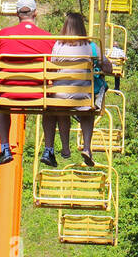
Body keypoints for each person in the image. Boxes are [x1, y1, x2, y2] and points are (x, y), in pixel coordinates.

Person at [41, 12, 112, 168]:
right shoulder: (91, 46)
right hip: (82, 97)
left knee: (60, 108)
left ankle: (65, 148)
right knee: (88, 112)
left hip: (60, 96)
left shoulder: (58, 46)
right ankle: (87, 146)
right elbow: (108, 68)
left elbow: (52, 70)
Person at [0, 0, 55, 164]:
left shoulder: (4, 34)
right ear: (35, 13)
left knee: (1, 104)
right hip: (39, 95)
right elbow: (54, 65)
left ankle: (5, 147)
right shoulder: (47, 38)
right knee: (51, 105)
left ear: (17, 14)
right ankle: (48, 149)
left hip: (9, 94)